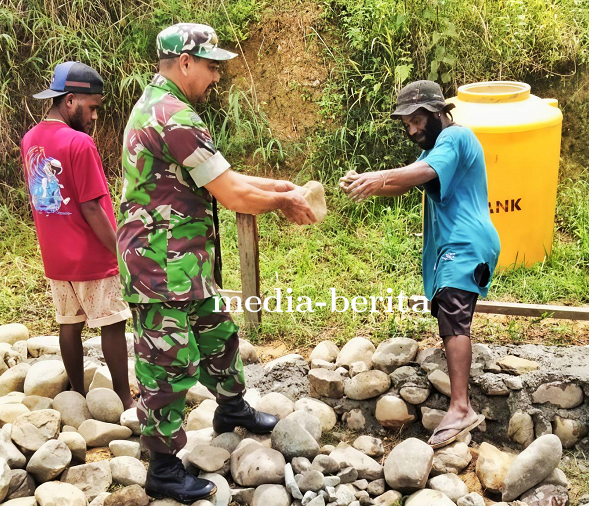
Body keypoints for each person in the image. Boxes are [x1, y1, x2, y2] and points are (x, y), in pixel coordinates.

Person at [117, 23, 316, 502]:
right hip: (160, 266)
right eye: (210, 66)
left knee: (217, 333)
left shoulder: (163, 106)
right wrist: (283, 204)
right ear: (184, 62)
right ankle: (164, 467)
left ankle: (231, 409)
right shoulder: (175, 115)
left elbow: (219, 173)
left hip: (183, 260)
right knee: (167, 366)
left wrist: (278, 186)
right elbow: (230, 193)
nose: (216, 77)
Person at [340, 80, 501, 449]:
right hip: (455, 244)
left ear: (440, 112)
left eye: (418, 120)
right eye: (407, 124)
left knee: (454, 317)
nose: (412, 130)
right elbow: (405, 181)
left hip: (466, 242)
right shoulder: (438, 145)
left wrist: (377, 177)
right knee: (450, 312)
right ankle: (459, 404)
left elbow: (421, 174)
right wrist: (367, 183)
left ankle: (461, 407)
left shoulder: (455, 139)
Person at [21, 61, 135, 410]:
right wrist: (120, 253)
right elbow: (91, 208)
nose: (95, 116)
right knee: (112, 323)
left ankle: (77, 396)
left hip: (56, 257)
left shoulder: (30, 139)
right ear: (70, 100)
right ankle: (124, 399)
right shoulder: (79, 143)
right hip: (91, 255)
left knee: (69, 325)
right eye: (93, 107)